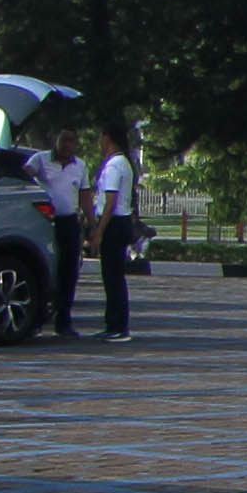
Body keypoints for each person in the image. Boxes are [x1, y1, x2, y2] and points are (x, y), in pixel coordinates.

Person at [87, 125, 140, 342]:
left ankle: (117, 325)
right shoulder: (125, 163)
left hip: (114, 223)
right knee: (114, 276)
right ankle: (114, 323)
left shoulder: (113, 166)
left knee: (112, 277)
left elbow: (110, 201)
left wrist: (99, 231)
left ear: (108, 138)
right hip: (122, 221)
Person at [32, 129, 86, 334]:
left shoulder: (80, 166)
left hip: (69, 221)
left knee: (69, 270)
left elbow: (85, 194)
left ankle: (63, 320)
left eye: (71, 141)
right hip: (44, 221)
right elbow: (25, 175)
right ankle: (36, 319)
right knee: (42, 265)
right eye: (63, 140)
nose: (67, 145)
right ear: (56, 141)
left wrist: (92, 224)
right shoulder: (40, 159)